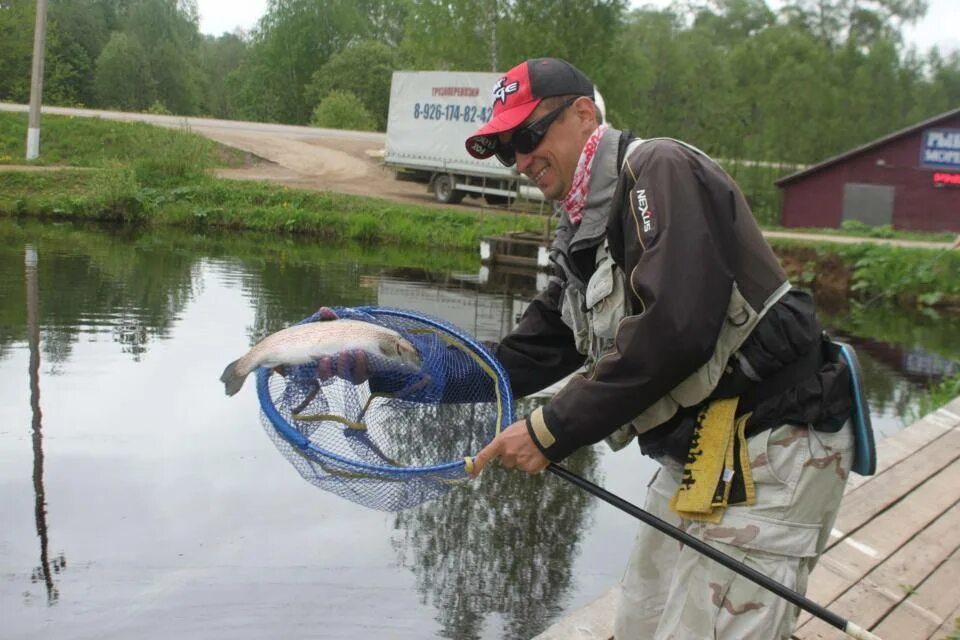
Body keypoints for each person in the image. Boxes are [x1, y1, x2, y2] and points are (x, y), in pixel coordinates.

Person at [464, 58, 857, 639]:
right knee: (639, 624)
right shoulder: (583, 233)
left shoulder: (657, 168)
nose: (520, 160)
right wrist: (399, 366)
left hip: (774, 442)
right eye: (505, 149)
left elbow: (676, 327)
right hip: (704, 452)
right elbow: (526, 356)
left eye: (527, 136)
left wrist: (551, 430)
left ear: (582, 114)